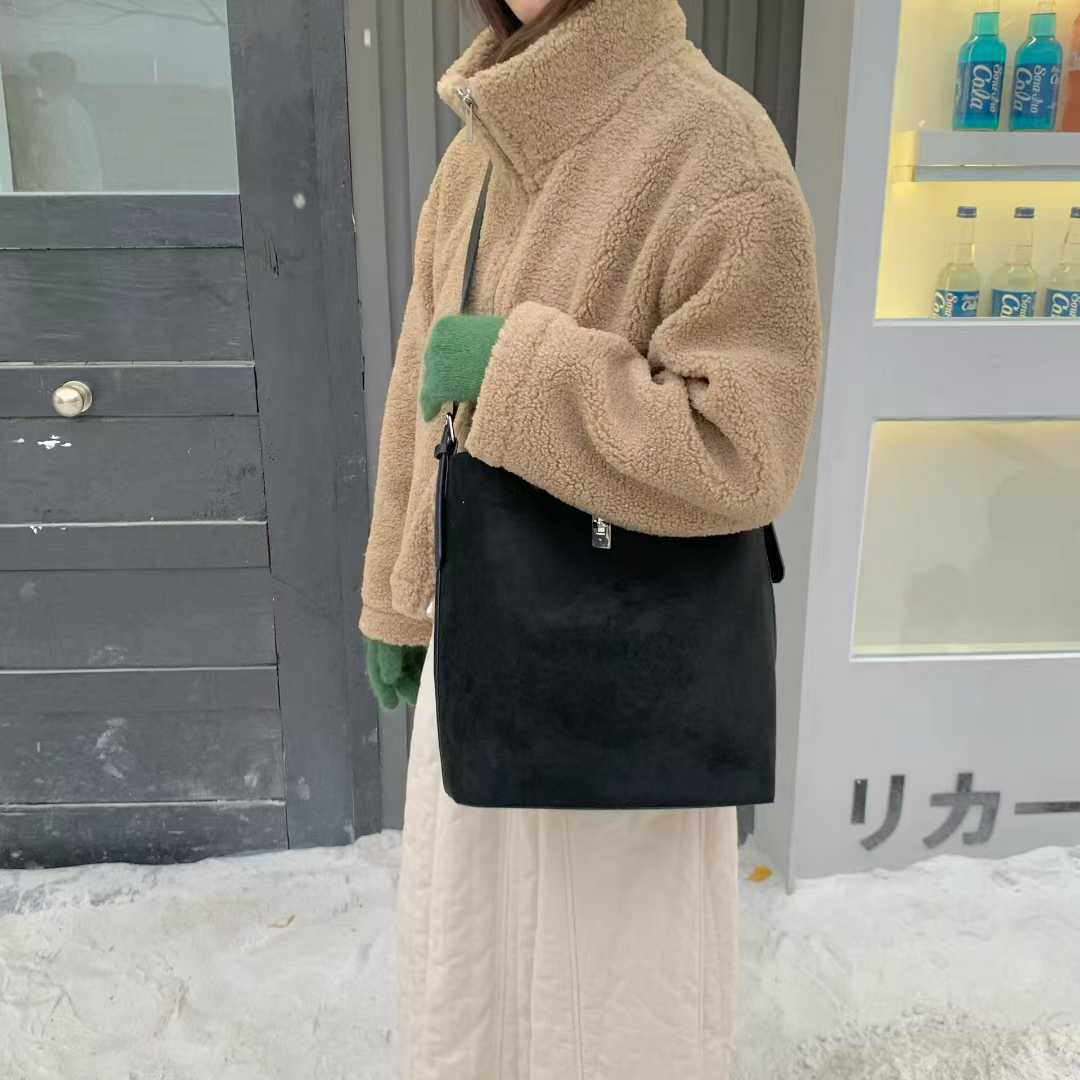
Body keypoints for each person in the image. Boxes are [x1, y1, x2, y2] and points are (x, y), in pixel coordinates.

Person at [358, 0, 823, 1076]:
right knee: (470, 981)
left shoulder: (718, 145)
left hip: (628, 683)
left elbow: (745, 447)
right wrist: (396, 591)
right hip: (478, 653)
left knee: (612, 1009)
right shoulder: (477, 152)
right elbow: (416, 393)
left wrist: (519, 371)